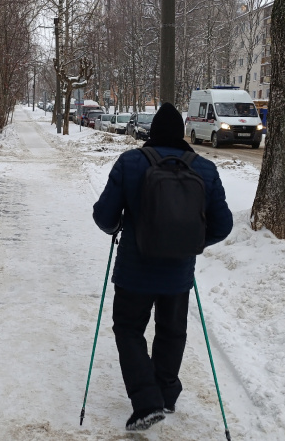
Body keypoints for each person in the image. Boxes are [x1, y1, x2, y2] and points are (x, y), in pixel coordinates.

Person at [92, 102, 233, 431]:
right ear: (182, 134)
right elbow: (222, 226)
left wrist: (117, 228)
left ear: (152, 133)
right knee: (172, 332)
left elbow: (104, 216)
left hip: (134, 270)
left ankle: (146, 402)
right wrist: (191, 242)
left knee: (129, 330)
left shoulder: (130, 163)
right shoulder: (206, 170)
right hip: (178, 273)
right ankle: (166, 393)